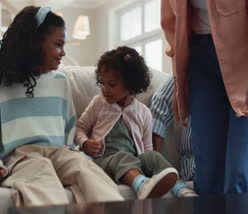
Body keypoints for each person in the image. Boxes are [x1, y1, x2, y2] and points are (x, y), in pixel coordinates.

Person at [0, 6, 124, 206]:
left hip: (61, 151)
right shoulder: (0, 86)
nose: (63, 53)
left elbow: (69, 130)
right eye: (58, 44)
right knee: (39, 173)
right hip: (22, 156)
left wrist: (78, 152)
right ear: (34, 43)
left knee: (84, 169)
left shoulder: (61, 81)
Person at [161, 0, 248, 195]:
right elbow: (172, 25)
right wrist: (180, 84)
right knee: (208, 173)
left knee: (240, 171)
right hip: (201, 63)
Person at [75, 46, 196, 199]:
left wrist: (150, 160)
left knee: (153, 156)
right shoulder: (99, 103)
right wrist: (85, 143)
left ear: (130, 84)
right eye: (102, 83)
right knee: (121, 157)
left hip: (134, 161)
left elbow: (147, 148)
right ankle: (141, 184)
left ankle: (181, 188)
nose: (105, 89)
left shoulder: (143, 112)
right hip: (104, 161)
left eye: (111, 85)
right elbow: (80, 127)